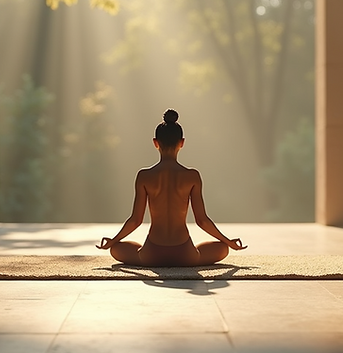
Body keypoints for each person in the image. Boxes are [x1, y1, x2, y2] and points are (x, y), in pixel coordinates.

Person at [96, 109, 247, 266]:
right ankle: (195, 254)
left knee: (116, 249)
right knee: (222, 248)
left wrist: (112, 241)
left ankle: (141, 254)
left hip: (151, 255)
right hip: (185, 254)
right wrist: (228, 242)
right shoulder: (192, 176)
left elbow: (135, 220)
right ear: (181, 143)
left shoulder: (144, 176)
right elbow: (202, 220)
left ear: (155, 143)